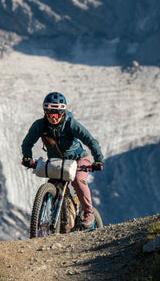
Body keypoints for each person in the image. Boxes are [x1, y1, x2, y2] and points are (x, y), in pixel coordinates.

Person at [21, 92, 104, 228]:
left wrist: (99, 160)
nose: (53, 118)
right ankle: (59, 220)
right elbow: (27, 143)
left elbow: (90, 140)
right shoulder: (40, 125)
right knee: (54, 185)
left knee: (78, 180)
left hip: (78, 159)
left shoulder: (70, 124)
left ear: (63, 113)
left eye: (57, 114)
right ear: (45, 113)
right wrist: (27, 157)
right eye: (49, 114)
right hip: (58, 163)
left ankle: (89, 213)